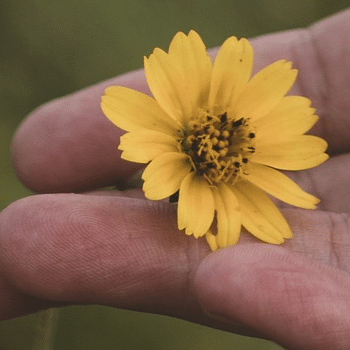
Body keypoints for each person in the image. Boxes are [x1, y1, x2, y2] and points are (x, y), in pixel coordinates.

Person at [1, 8, 350, 349]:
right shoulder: (169, 145)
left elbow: (291, 156)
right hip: (171, 156)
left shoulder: (239, 166)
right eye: (217, 140)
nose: (220, 144)